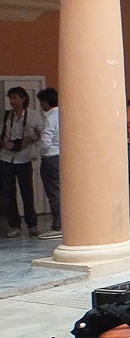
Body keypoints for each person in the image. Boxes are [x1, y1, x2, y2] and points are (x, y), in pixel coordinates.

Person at [1, 87, 43, 238]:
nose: (12, 101)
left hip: (25, 157)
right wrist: (5, 144)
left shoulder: (33, 115)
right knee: (8, 193)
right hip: (6, 158)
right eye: (10, 98)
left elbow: (41, 132)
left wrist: (28, 139)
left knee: (27, 192)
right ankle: (14, 225)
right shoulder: (6, 116)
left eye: (15, 98)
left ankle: (32, 224)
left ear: (23, 98)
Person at [35, 88, 61, 239]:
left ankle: (58, 225)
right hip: (61, 156)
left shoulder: (50, 117)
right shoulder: (63, 114)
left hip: (51, 157)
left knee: (53, 192)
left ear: (45, 102)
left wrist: (43, 151)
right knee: (61, 190)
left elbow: (46, 139)